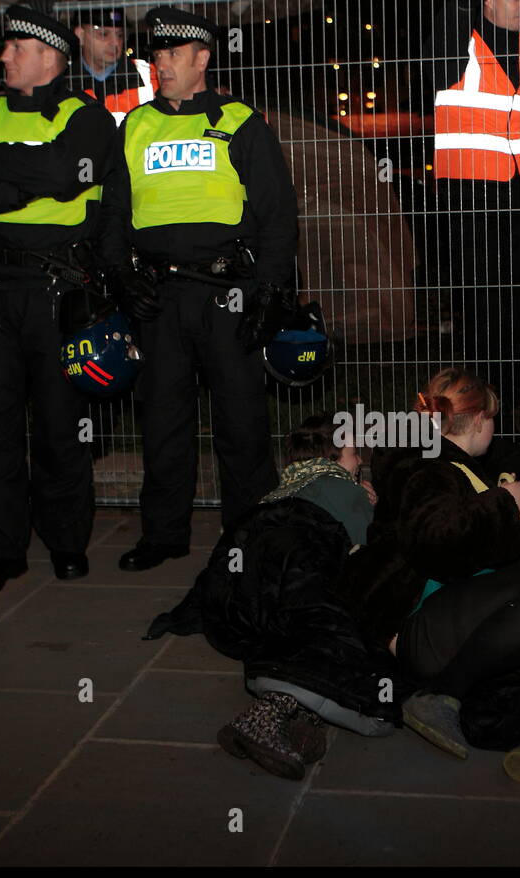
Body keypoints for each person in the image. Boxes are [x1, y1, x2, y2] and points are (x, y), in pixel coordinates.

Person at [346, 368, 520, 793]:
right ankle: (440, 696)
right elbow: (435, 539)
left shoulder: (448, 465)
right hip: (424, 628)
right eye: (493, 420)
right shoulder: (425, 465)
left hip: (473, 630)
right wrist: (504, 504)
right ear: (479, 419)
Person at [100, 6, 298, 572]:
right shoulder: (136, 125)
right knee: (162, 420)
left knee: (242, 423)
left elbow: (277, 215)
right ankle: (164, 534)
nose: (161, 63)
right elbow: (113, 211)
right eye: (157, 54)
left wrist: (269, 291)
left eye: (173, 54)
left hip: (226, 293)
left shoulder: (241, 122)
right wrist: (120, 275)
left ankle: (248, 536)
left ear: (202, 58)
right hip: (158, 295)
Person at [0, 4, 120, 599]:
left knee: (62, 426)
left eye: (15, 48)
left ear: (49, 57)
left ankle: (66, 543)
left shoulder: (84, 115)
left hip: (58, 290)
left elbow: (71, 170)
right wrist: (32, 182)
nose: (3, 56)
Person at [159, 415, 386, 781]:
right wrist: (369, 507)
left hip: (232, 603)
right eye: (355, 452)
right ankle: (265, 717)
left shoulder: (280, 490)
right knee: (356, 640)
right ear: (335, 456)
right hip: (286, 588)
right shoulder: (341, 487)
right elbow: (365, 557)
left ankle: (296, 720)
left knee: (307, 631)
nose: (360, 460)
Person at [421, 0, 520, 423]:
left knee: (517, 317)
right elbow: (434, 72)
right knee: (481, 316)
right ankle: (478, 419)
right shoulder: (456, 44)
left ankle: (508, 416)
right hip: (471, 202)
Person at [69, 6, 156, 124]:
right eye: (104, 34)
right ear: (80, 35)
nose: (115, 43)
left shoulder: (150, 78)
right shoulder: (64, 84)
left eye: (120, 35)